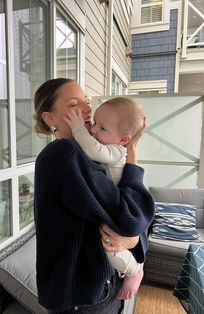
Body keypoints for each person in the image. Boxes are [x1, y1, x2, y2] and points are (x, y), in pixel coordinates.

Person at [33, 78, 155, 313]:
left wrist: (134, 239)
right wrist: (132, 154)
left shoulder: (88, 156)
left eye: (87, 101)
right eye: (73, 104)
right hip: (84, 296)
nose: (88, 109)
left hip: (99, 286)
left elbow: (132, 221)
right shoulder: (64, 154)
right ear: (50, 119)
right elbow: (131, 217)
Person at [63, 97, 146, 300]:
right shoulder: (114, 145)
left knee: (109, 247)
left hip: (120, 212)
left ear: (124, 140)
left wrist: (77, 127)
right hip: (116, 210)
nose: (93, 130)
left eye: (102, 128)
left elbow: (93, 149)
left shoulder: (117, 151)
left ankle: (134, 270)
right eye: (95, 124)